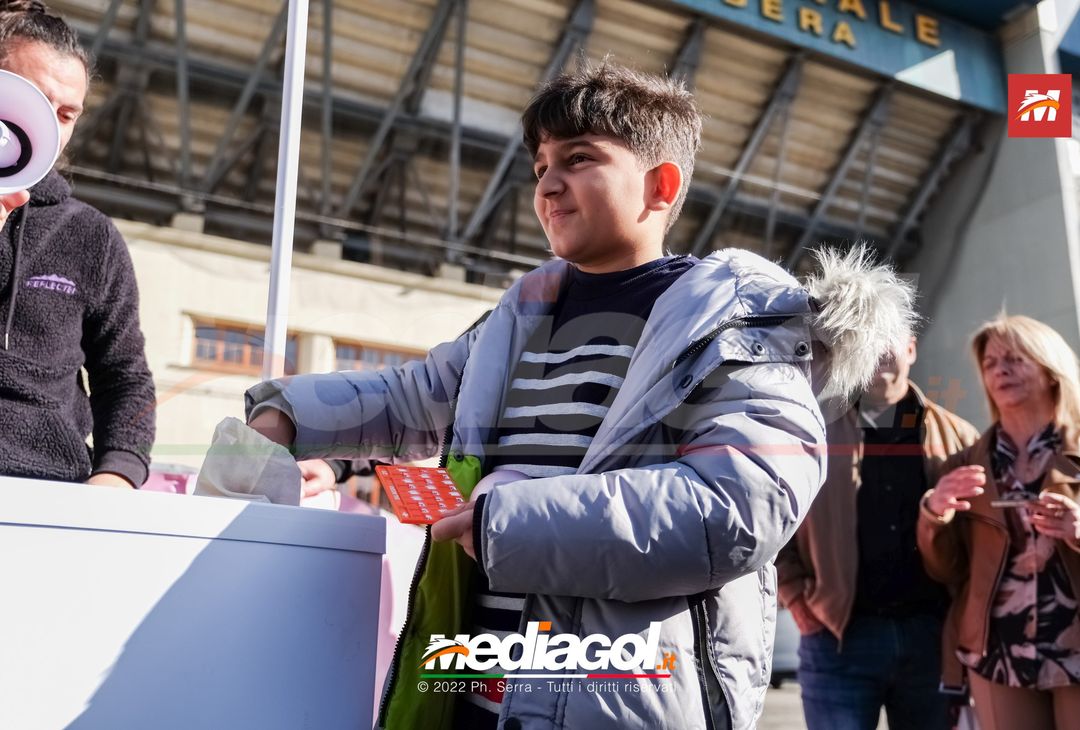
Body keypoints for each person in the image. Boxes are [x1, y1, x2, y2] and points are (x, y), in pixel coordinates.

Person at [244, 63, 915, 730]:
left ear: (661, 185)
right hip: (473, 696)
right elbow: (412, 396)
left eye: (579, 158)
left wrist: (503, 524)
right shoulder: (517, 318)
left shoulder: (738, 327)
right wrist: (288, 415)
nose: (548, 183)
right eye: (539, 166)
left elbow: (737, 504)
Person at [776, 337, 978, 730]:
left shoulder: (960, 437)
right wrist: (795, 595)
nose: (880, 350)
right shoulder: (812, 431)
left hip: (931, 638)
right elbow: (775, 513)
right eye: (870, 340)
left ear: (912, 348)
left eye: (890, 340)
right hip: (837, 637)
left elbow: (979, 540)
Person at [0, 0, 155, 487]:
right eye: (34, 101)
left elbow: (126, 377)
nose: (50, 126)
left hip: (52, 491)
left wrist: (117, 474)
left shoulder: (91, 236)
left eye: (67, 114)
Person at [918, 315, 1080, 730]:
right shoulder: (967, 464)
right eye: (990, 363)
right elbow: (946, 569)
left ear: (1050, 369)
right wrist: (934, 514)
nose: (1000, 370)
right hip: (997, 650)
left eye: (1014, 358)